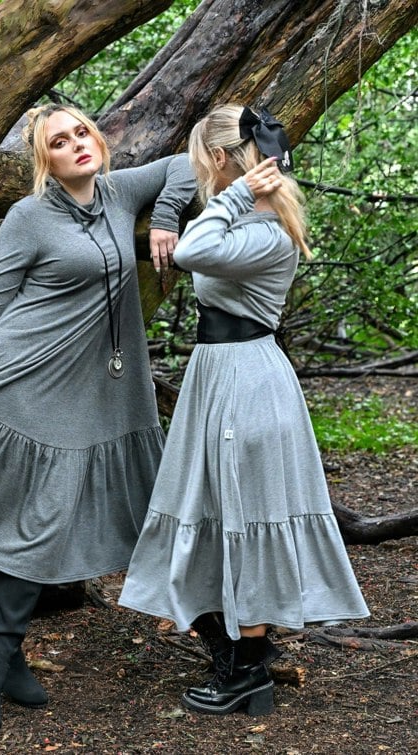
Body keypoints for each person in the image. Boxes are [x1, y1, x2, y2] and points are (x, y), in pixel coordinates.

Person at [0, 104, 197, 731]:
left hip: (87, 391)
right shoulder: (29, 218)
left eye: (83, 132)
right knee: (26, 518)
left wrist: (164, 217)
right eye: (60, 142)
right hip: (21, 379)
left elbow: (191, 163)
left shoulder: (119, 191)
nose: (78, 145)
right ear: (44, 161)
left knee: (31, 519)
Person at [119, 103, 369, 716]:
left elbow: (191, 253)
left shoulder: (259, 229)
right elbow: (184, 195)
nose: (199, 172)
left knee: (245, 514)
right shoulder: (244, 218)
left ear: (227, 161)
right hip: (221, 376)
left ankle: (248, 674)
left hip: (246, 383)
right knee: (216, 509)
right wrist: (176, 210)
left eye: (208, 161)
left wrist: (229, 200)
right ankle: (235, 659)